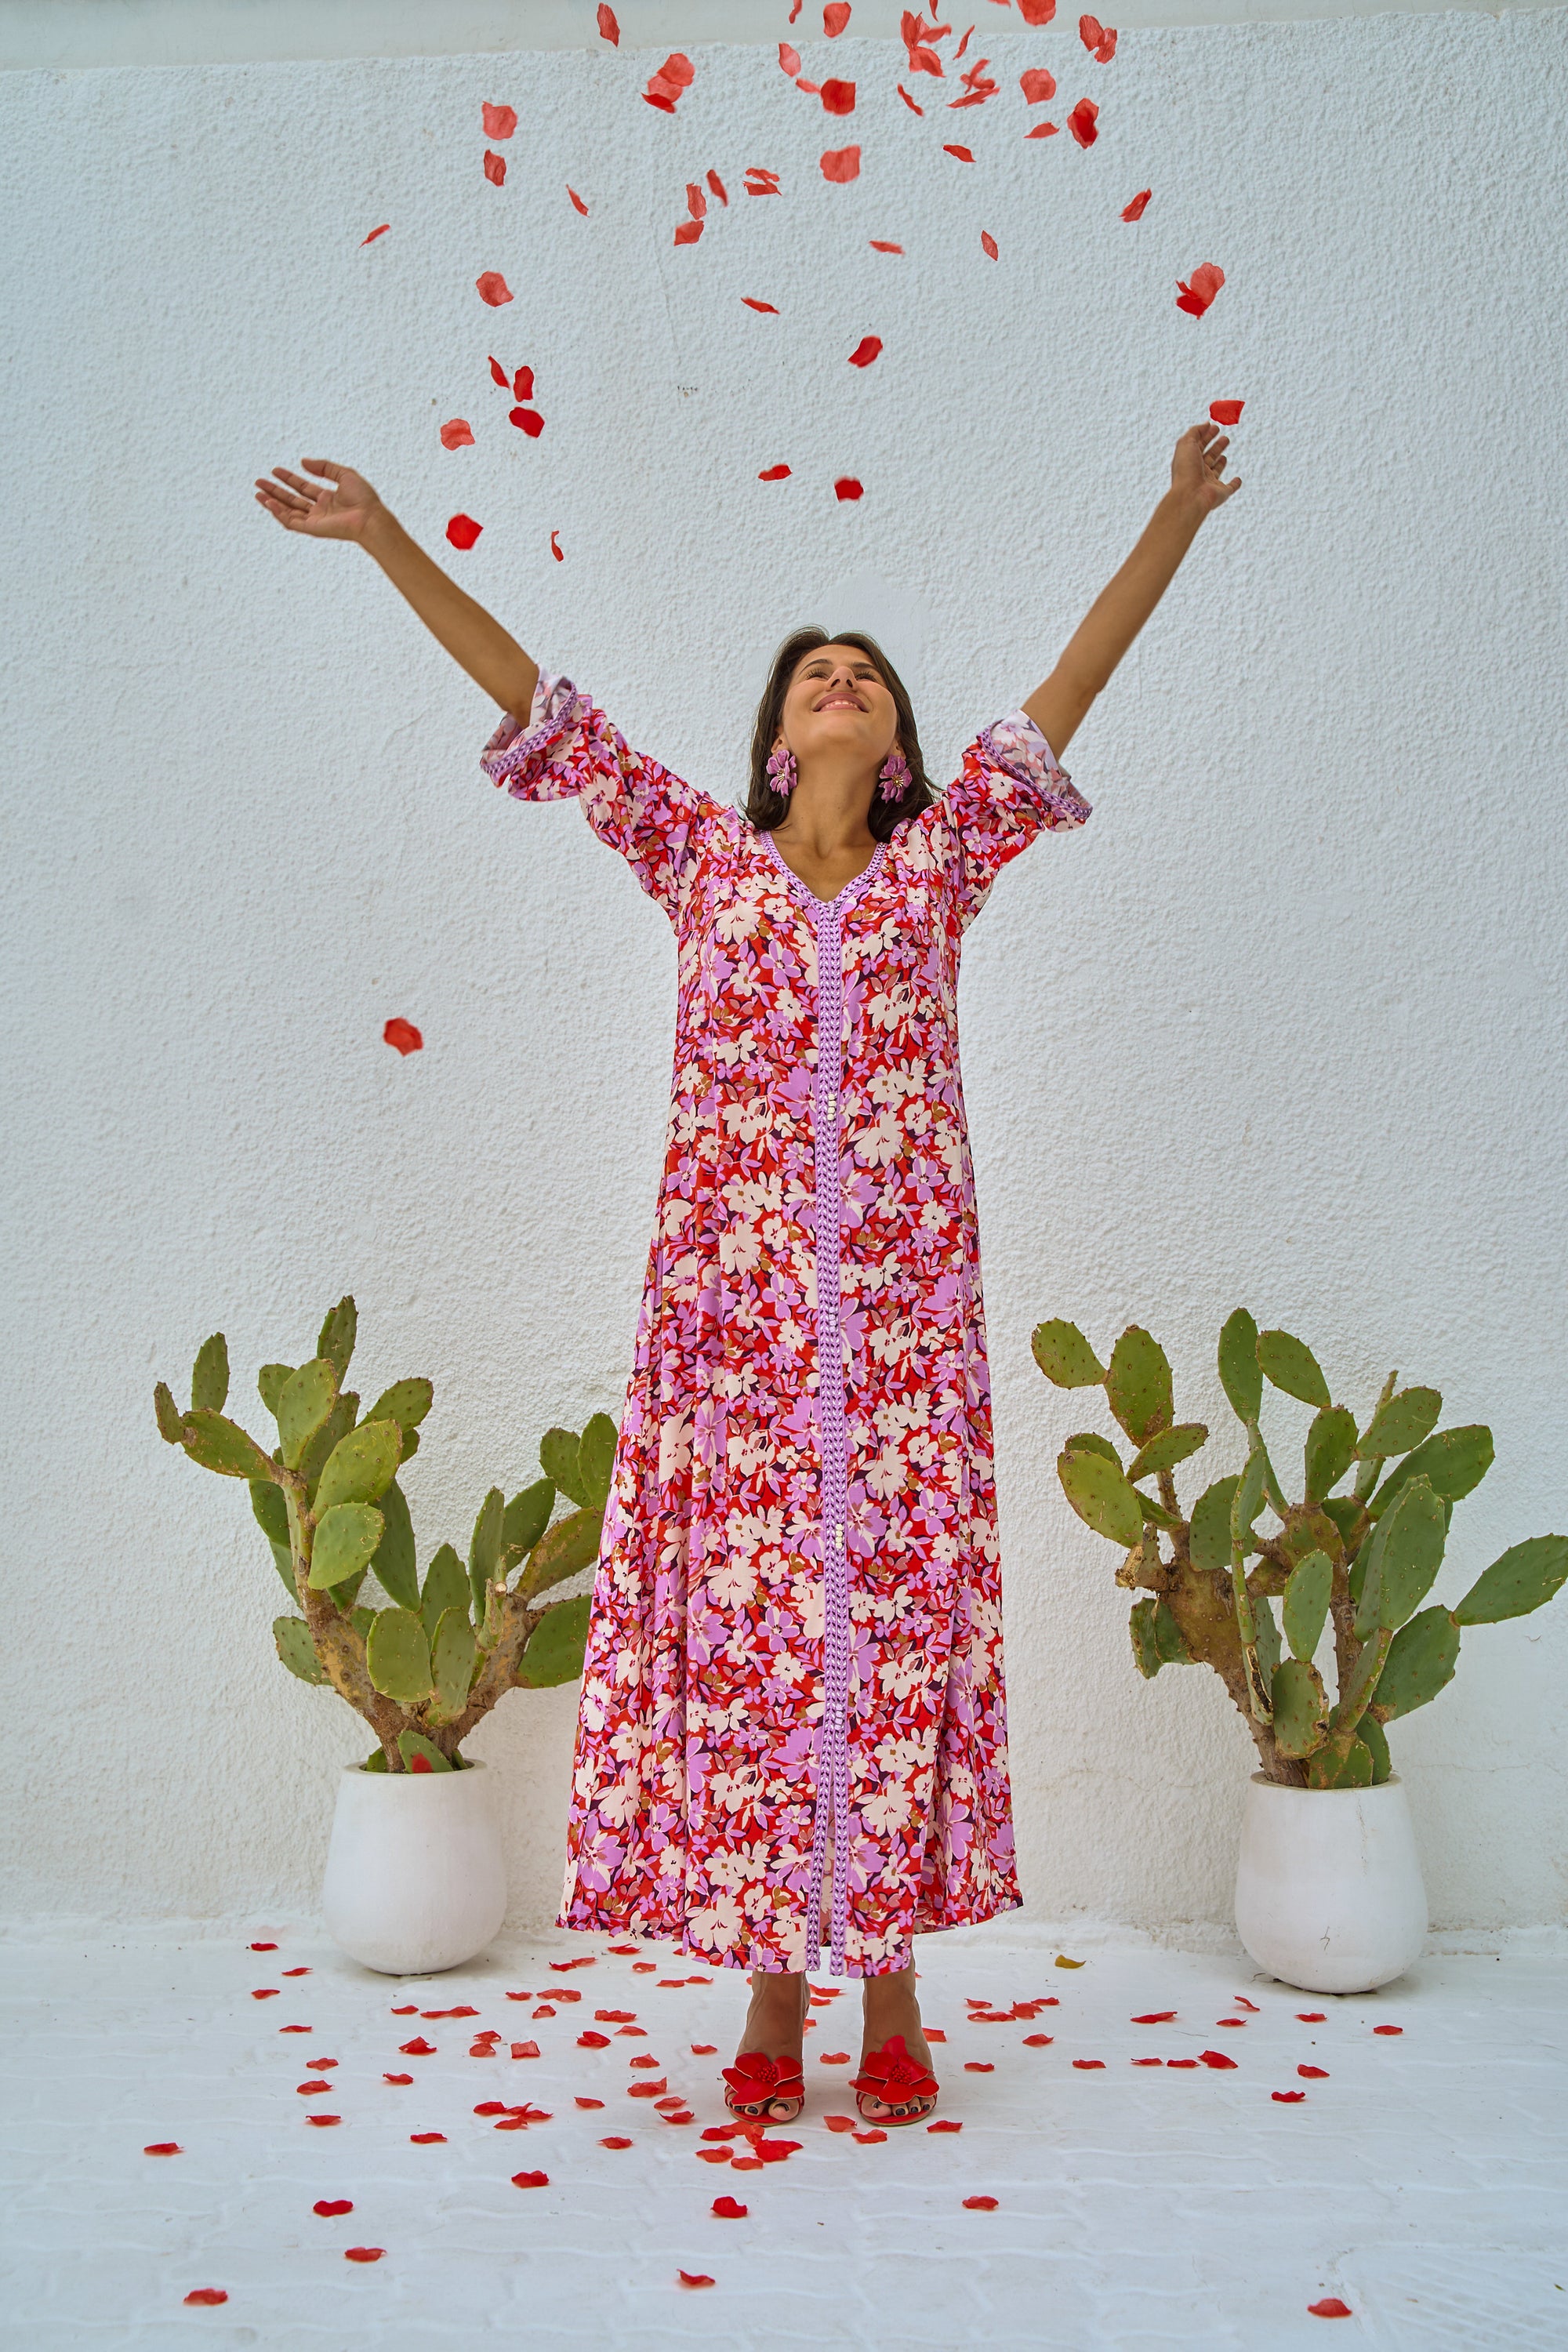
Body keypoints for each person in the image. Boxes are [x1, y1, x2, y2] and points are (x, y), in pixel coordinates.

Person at [255, 424, 1241, 2126]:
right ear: (779, 740)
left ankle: (895, 1991)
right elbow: (537, 701)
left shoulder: (945, 864)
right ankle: (773, 1992)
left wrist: (1170, 517)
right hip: (734, 1341)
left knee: (896, 1635)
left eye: (867, 676)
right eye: (812, 675)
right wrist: (386, 534)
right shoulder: (699, 859)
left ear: (899, 743)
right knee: (760, 1642)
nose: (839, 682)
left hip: (906, 1337)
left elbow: (1075, 681)